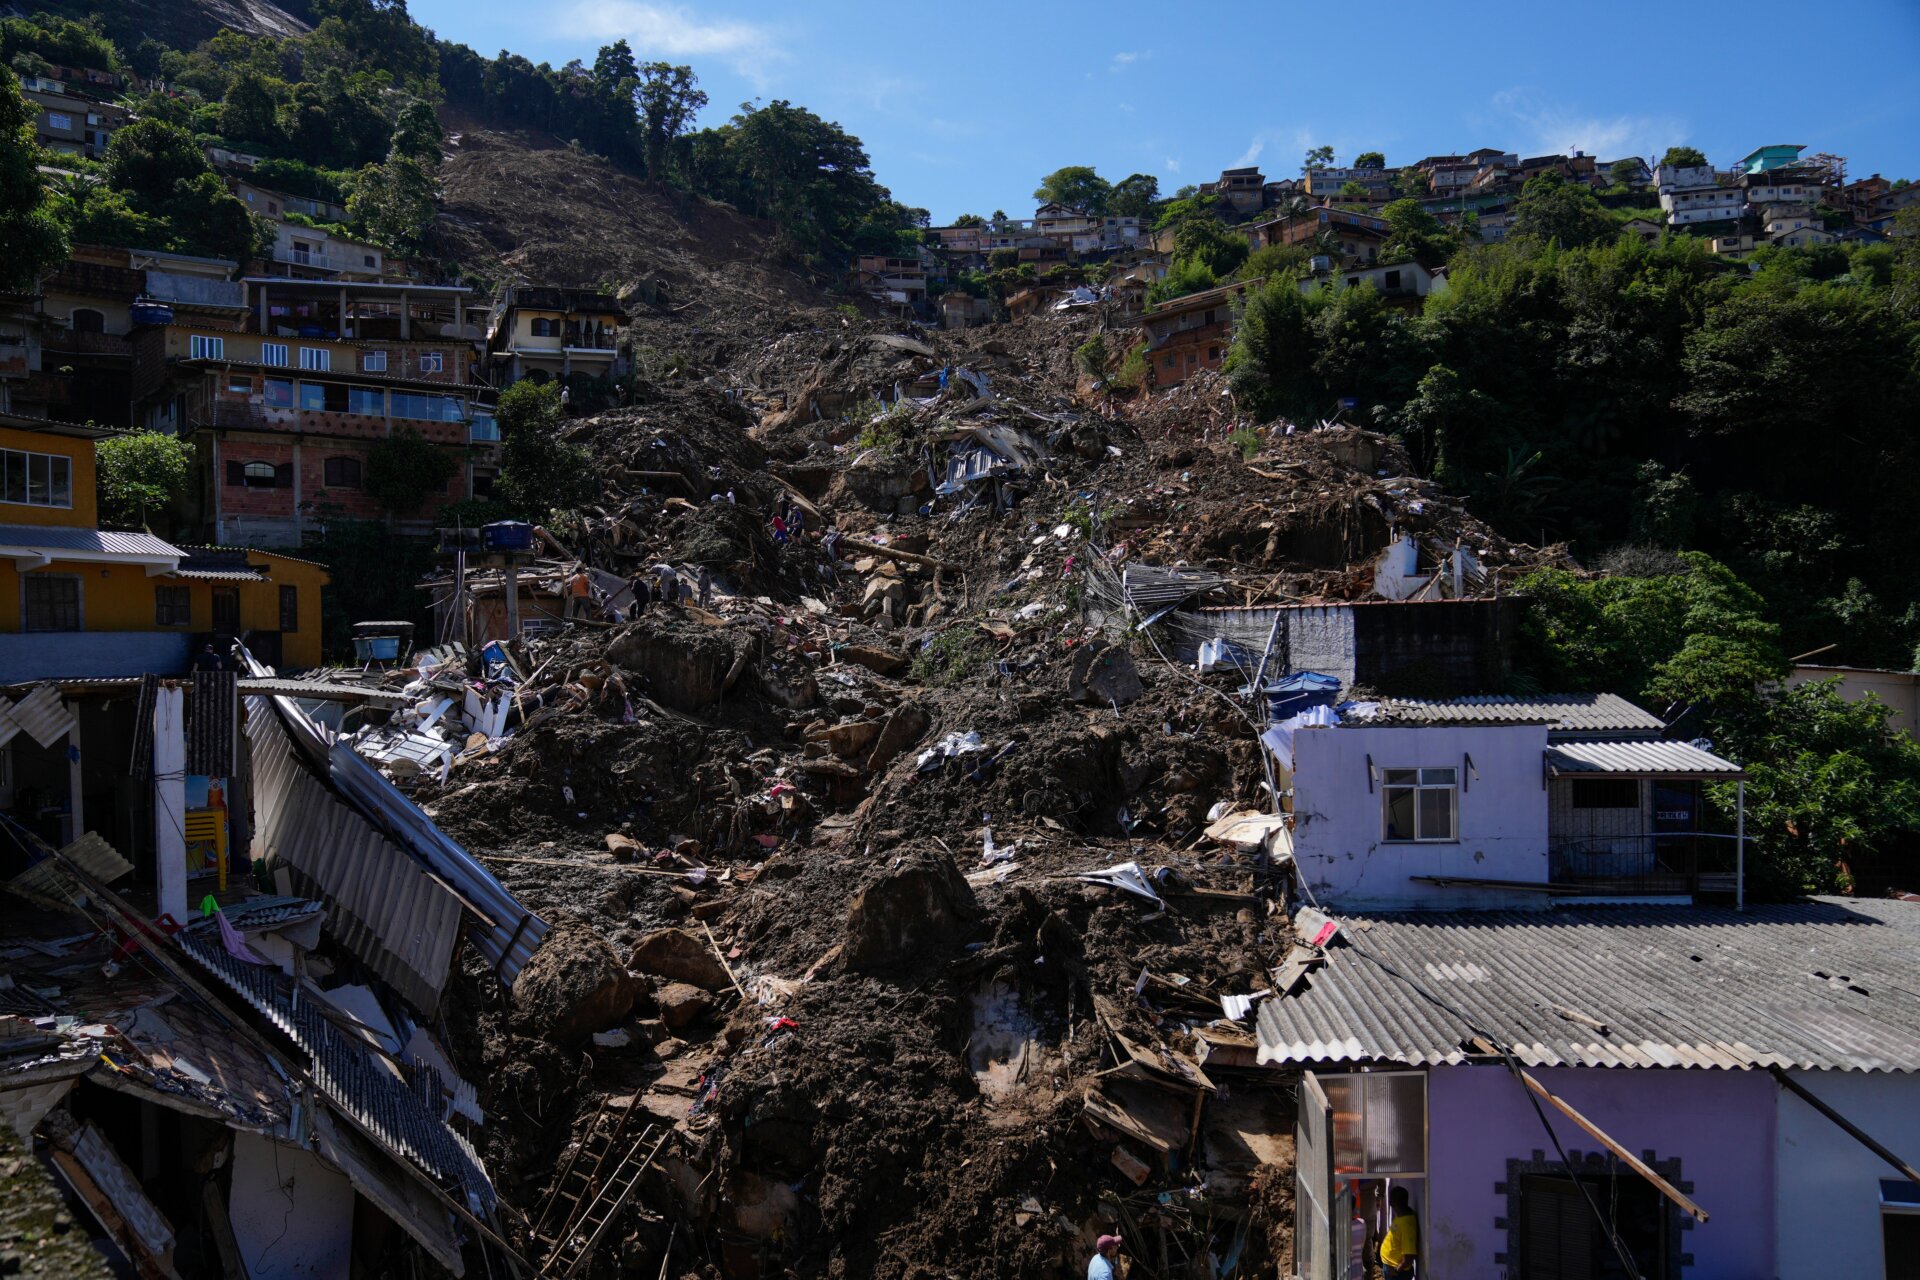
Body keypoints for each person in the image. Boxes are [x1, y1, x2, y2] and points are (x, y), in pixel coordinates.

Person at [1380, 1186, 1419, 1279]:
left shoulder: (1406, 1226)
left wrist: (1397, 1271)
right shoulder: (1403, 1213)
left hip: (1396, 1273)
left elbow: (1409, 1257)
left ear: (1392, 1203)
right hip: (1390, 1266)